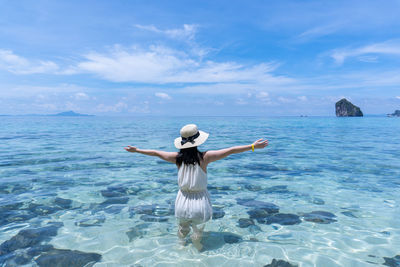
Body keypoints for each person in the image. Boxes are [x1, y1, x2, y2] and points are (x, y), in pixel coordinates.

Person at [124, 124, 268, 251]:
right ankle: (197, 246)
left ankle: (180, 244)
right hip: (199, 200)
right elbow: (230, 150)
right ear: (198, 140)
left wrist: (137, 150)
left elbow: (155, 152)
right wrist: (253, 146)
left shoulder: (176, 158)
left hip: (182, 200)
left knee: (183, 226)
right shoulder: (205, 157)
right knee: (198, 229)